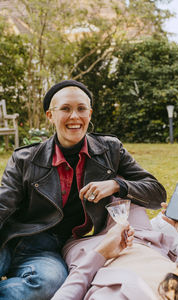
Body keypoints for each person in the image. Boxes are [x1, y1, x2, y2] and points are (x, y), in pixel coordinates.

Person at [0, 79, 166, 300]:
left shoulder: (111, 150)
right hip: (12, 238)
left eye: (81, 109)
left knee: (50, 284)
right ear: (50, 115)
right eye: (65, 109)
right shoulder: (25, 158)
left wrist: (117, 184)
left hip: (48, 250)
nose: (74, 117)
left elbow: (156, 192)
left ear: (90, 113)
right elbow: (3, 204)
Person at [51, 196, 178, 300]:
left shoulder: (117, 297)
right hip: (143, 238)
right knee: (122, 183)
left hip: (93, 250)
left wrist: (100, 253)